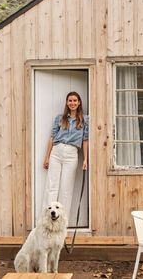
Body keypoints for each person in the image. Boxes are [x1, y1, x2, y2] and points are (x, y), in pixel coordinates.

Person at [43, 91, 89, 220]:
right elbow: (52, 138)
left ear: (79, 102)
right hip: (56, 152)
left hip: (71, 153)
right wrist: (47, 157)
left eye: (75, 100)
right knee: (52, 186)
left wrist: (85, 159)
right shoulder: (59, 118)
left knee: (66, 189)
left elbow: (85, 140)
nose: (72, 103)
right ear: (67, 102)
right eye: (70, 100)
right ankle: (47, 219)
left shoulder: (85, 120)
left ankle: (62, 220)